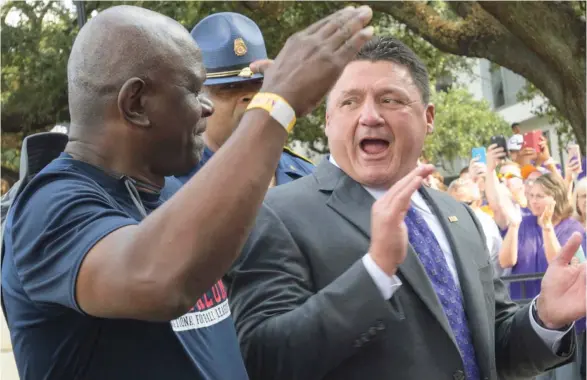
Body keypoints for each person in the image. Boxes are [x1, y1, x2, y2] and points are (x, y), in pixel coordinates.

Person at [1, 5, 376, 380]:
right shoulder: (50, 206)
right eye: (194, 90)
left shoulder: (169, 193)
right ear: (136, 104)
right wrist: (275, 106)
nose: (207, 108)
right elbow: (158, 279)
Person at [227, 36, 585, 380]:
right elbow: (265, 360)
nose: (369, 116)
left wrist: (545, 318)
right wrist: (375, 273)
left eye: (390, 99)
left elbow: (492, 349)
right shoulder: (276, 214)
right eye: (349, 102)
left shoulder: (458, 216)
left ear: (428, 117)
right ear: (327, 120)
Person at [176, 12, 314, 187]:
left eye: (259, 84)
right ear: (197, 99)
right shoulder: (171, 185)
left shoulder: (305, 176)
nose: (249, 96)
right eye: (229, 88)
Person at [447, 178, 504, 277]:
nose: (455, 209)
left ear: (478, 202)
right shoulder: (453, 220)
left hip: (489, 285)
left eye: (463, 204)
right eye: (450, 204)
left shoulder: (484, 224)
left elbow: (478, 261)